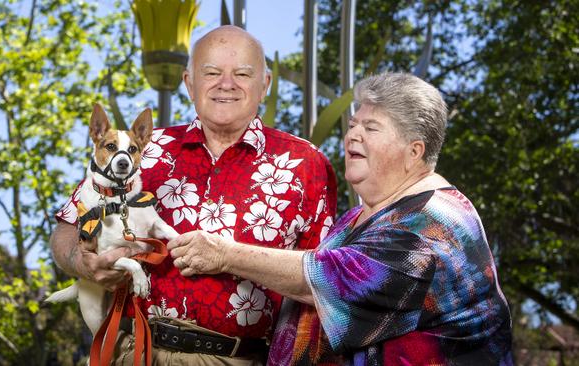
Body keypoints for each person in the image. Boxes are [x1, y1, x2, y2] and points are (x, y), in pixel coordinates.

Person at [168, 72, 514, 365]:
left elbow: (328, 279)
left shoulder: (433, 225)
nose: (353, 135)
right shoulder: (356, 217)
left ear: (414, 151)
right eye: (352, 124)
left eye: (371, 128)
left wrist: (224, 253)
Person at [50, 25, 337, 365]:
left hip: (237, 358)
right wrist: (82, 263)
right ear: (189, 83)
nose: (226, 84)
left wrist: (230, 256)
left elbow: (324, 280)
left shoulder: (306, 165)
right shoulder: (142, 151)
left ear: (265, 84)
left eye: (242, 73)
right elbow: (68, 227)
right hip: (132, 351)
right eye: (211, 72)